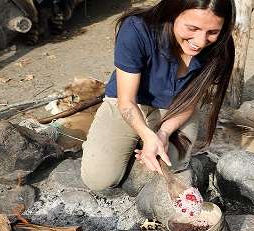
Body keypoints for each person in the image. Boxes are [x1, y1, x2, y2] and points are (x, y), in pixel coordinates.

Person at [80, 0, 235, 193]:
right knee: (98, 180)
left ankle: (142, 141)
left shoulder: (220, 47)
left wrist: (163, 133)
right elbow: (126, 100)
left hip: (176, 109)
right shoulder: (136, 29)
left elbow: (190, 101)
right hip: (129, 102)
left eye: (212, 32)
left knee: (171, 166)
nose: (200, 42)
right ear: (172, 13)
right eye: (192, 28)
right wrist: (146, 134)